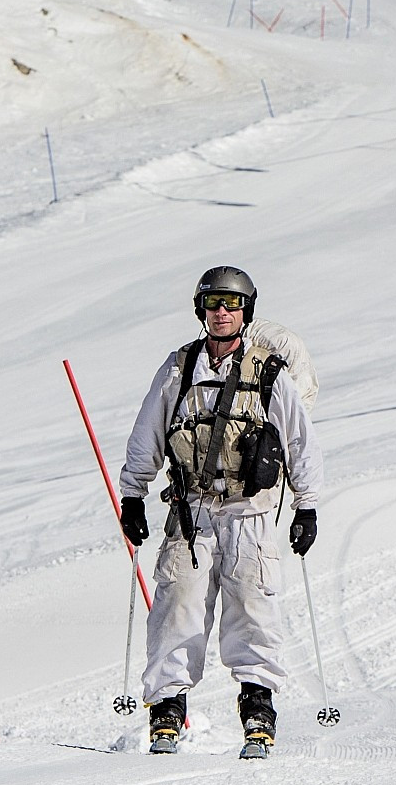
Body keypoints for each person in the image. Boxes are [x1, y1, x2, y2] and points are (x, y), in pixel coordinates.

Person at [116, 266, 321, 759]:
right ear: (200, 310)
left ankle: (258, 709)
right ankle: (166, 710)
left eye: (231, 304)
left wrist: (306, 506)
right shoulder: (180, 368)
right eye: (213, 304)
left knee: (253, 610)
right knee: (176, 608)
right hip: (191, 514)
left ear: (246, 309)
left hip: (250, 514)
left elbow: (299, 441)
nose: (222, 313)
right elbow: (149, 430)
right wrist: (132, 494)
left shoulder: (269, 372)